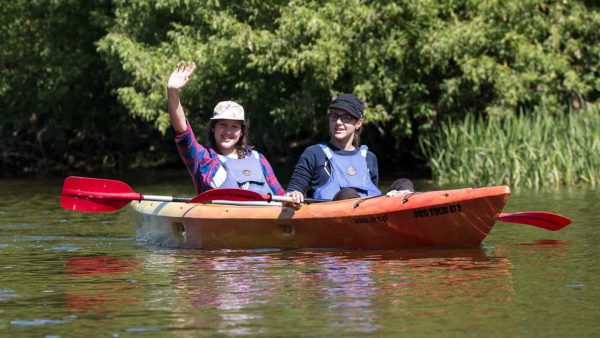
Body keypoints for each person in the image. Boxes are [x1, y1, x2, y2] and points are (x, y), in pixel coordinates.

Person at [167, 61, 285, 195]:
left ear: (241, 132)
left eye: (234, 126)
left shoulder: (258, 158)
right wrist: (172, 91)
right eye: (223, 124)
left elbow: (281, 195)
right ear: (213, 128)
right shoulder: (201, 158)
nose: (228, 131)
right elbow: (183, 132)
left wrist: (293, 197)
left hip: (263, 214)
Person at [286, 94, 415, 203]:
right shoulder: (314, 153)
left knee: (404, 183)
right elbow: (294, 189)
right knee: (347, 193)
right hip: (334, 217)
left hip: (370, 215)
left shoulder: (369, 158)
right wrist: (294, 193)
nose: (338, 122)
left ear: (358, 123)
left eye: (346, 118)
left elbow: (371, 191)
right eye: (334, 116)